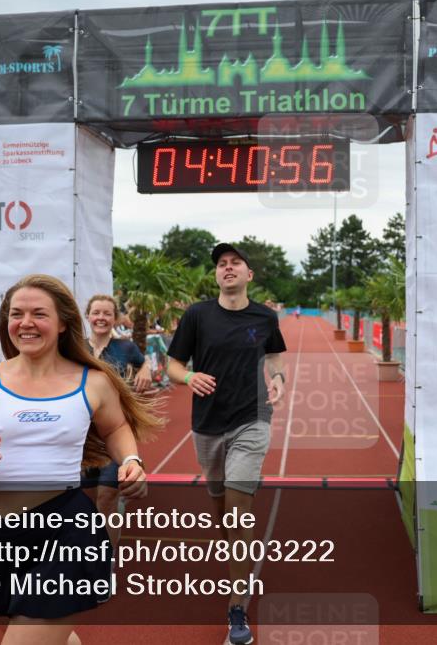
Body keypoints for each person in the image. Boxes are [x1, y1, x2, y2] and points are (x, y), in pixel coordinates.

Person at [0, 274, 162, 645]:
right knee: (36, 632)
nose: (26, 323)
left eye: (39, 314)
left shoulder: (92, 382)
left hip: (67, 531)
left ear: (63, 322)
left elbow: (117, 428)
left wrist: (131, 460)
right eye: (16, 314)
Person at [166, 243, 287, 645]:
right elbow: (172, 365)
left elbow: (276, 357)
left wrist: (278, 379)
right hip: (207, 424)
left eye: (236, 263)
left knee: (238, 513)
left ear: (249, 275)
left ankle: (237, 607)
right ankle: (235, 554)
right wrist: (188, 377)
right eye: (222, 264)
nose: (228, 267)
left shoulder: (264, 317)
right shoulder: (197, 315)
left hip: (252, 418)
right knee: (219, 505)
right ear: (216, 275)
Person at [82, 293, 152, 551]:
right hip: (82, 436)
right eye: (96, 313)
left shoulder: (126, 347)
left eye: (107, 313)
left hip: (112, 433)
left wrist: (144, 370)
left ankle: (106, 561)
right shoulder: (76, 347)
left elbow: (144, 363)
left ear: (115, 318)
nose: (101, 318)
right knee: (85, 501)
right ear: (88, 316)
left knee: (106, 498)